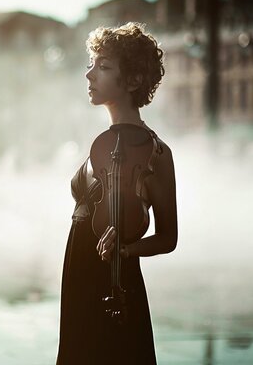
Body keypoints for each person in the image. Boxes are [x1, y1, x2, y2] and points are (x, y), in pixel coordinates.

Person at [56, 22, 178, 364]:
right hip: (78, 269)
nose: (89, 74)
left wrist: (126, 250)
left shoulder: (156, 153)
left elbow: (168, 238)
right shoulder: (102, 144)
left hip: (112, 277)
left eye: (103, 67)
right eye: (92, 64)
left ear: (134, 80)